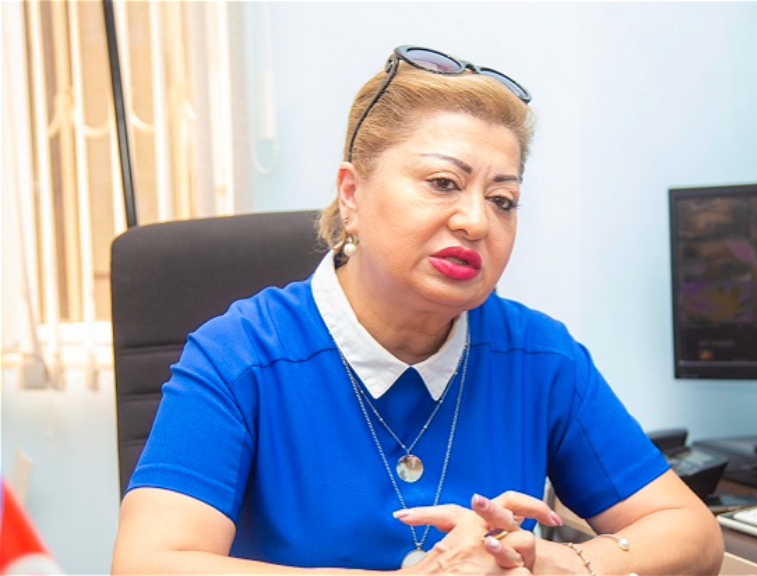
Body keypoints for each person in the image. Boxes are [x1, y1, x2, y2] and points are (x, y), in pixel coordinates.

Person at [111, 45, 724, 575]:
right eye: (442, 183)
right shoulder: (240, 355)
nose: (476, 221)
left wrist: (560, 561)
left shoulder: (540, 356)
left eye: (503, 199)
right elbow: (148, 563)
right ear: (351, 194)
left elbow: (692, 532)